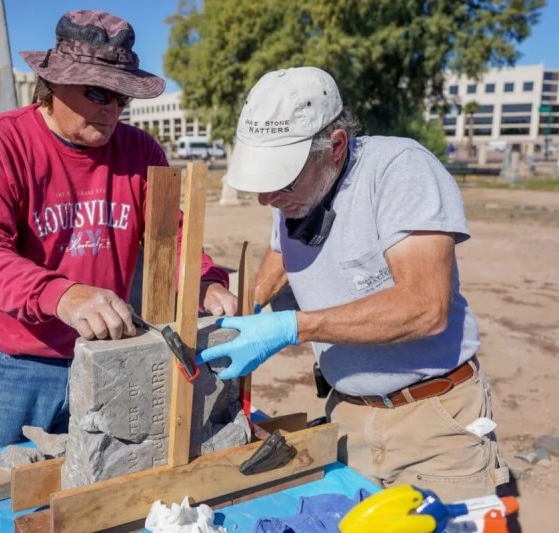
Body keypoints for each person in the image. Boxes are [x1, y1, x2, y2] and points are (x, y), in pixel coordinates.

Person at [0, 10, 236, 490]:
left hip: (100, 357)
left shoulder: (141, 153)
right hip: (5, 367)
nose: (112, 110)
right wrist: (63, 295)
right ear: (52, 84)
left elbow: (171, 234)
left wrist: (203, 278)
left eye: (122, 98)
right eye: (98, 93)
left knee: (84, 496)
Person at [197, 67, 507, 502]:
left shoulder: (400, 169)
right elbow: (281, 253)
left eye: (280, 182)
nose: (267, 199)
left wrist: (290, 327)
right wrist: (244, 301)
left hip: (432, 425)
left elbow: (424, 307)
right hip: (347, 416)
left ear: (335, 147)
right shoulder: (295, 192)